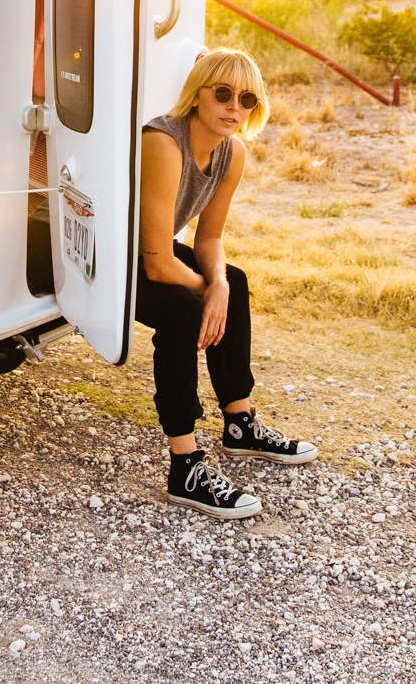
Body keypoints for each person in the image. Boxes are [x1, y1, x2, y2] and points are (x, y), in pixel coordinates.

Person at [136, 48, 316, 519]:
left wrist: (218, 283)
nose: (234, 106)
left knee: (232, 278)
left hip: (146, 252)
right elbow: (155, 263)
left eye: (248, 99)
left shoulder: (232, 152)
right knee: (182, 310)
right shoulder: (163, 142)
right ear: (198, 95)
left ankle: (240, 422)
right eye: (223, 93)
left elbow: (209, 236)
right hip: (114, 254)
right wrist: (205, 290)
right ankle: (185, 465)